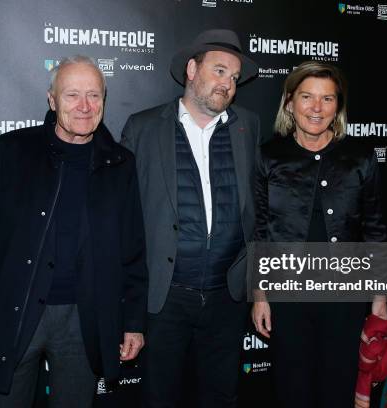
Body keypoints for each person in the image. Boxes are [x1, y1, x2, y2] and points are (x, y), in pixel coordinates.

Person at [0, 55, 148, 408]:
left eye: (94, 95)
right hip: (13, 310)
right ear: (52, 100)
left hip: (84, 321)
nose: (84, 106)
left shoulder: (120, 164)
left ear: (104, 100)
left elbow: (132, 251)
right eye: (72, 95)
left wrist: (132, 321)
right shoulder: (11, 152)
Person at [120, 29, 260, 407]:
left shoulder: (247, 127)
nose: (227, 84)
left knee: (220, 395)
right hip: (165, 299)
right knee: (160, 396)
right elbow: (122, 218)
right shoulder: (143, 128)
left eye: (233, 78)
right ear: (191, 69)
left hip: (227, 298)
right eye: (219, 71)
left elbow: (258, 211)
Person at [251, 61, 387, 408]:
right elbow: (260, 230)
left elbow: (375, 229)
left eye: (327, 99)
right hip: (289, 295)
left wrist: (379, 298)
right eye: (307, 97)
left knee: (338, 386)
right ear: (289, 103)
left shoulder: (360, 158)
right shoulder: (269, 156)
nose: (317, 108)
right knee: (291, 387)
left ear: (338, 107)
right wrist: (260, 294)